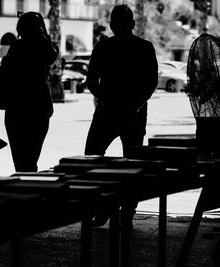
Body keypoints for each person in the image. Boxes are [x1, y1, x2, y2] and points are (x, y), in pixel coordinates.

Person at [84, 5, 158, 226]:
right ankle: (127, 212)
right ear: (133, 24)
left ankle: (104, 206)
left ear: (111, 25)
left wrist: (105, 100)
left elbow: (91, 81)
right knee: (133, 164)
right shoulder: (145, 47)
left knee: (92, 157)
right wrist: (136, 104)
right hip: (134, 112)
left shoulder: (103, 47)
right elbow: (151, 82)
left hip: (107, 111)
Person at [2, 11, 59, 172]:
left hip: (16, 109)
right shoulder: (46, 48)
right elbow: (51, 56)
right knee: (31, 158)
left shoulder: (17, 47)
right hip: (39, 109)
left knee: (20, 160)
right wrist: (43, 33)